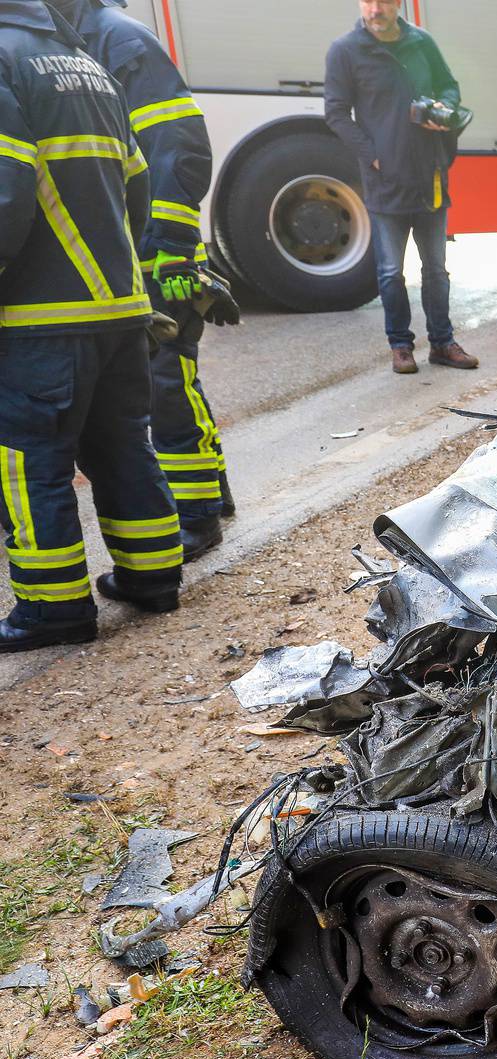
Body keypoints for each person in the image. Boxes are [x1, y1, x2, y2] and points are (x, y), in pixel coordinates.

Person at [0, 0, 183, 652]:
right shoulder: (84, 62)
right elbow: (136, 186)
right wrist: (110, 275)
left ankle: (54, 611)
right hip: (117, 309)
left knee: (31, 463)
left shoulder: (4, 58)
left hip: (41, 319)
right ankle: (154, 577)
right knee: (122, 446)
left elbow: (7, 191)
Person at [49, 0, 236, 561]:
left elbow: (178, 145)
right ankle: (212, 493)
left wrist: (173, 250)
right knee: (169, 370)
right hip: (128, 251)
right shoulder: (74, 43)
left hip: (155, 252)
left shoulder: (117, 40)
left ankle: (197, 517)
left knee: (164, 375)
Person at [324, 0, 477, 375]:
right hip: (385, 182)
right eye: (369, 2)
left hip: (430, 177)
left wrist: (446, 108)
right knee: (391, 273)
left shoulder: (421, 42)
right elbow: (336, 112)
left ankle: (442, 343)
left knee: (437, 271)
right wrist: (371, 155)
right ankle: (400, 346)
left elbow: (450, 87)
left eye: (385, 2)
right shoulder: (345, 50)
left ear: (399, 4)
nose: (375, 9)